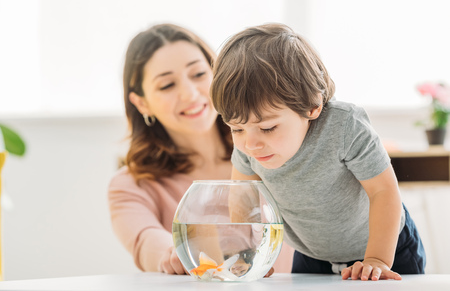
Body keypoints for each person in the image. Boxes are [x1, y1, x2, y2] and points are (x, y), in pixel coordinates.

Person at [210, 23, 426, 281]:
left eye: (267, 128)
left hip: (387, 249)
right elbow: (242, 200)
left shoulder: (345, 126)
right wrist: (248, 255)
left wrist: (376, 260)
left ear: (312, 104)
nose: (250, 144)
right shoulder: (250, 143)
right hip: (313, 255)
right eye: (236, 128)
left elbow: (384, 191)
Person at [107, 23, 294, 275]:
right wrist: (173, 254)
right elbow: (147, 243)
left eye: (198, 75)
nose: (190, 94)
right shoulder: (131, 186)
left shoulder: (269, 153)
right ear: (142, 103)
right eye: (167, 85)